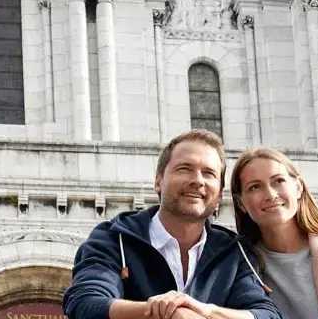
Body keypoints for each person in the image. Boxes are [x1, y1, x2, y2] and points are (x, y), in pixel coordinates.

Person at [63, 130, 280, 319]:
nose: (198, 180)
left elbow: (266, 314)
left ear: (220, 192)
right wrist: (164, 312)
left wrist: (202, 311)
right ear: (158, 181)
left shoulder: (235, 252)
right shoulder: (112, 239)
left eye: (209, 173)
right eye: (185, 169)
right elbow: (85, 303)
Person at [230, 147, 318, 319]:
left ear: (298, 187)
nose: (270, 194)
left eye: (279, 181)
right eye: (255, 187)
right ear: (241, 203)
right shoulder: (238, 259)